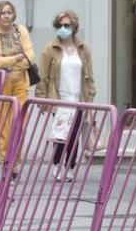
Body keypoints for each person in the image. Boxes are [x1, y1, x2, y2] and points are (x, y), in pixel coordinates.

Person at [36, 10, 97, 169]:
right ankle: (57, 163)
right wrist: (41, 98)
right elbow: (42, 75)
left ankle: (70, 167)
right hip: (59, 99)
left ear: (74, 27)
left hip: (78, 99)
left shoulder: (83, 48)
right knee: (60, 136)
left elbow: (89, 74)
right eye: (60, 25)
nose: (63, 28)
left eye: (67, 25)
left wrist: (91, 94)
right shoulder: (50, 49)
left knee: (75, 134)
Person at [0, 0, 36, 160]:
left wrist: (10, 63)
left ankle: (16, 160)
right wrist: (17, 58)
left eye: (9, 12)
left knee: (20, 122)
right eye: (3, 13)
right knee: (3, 123)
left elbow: (31, 58)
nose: (6, 16)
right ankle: (7, 161)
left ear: (14, 14)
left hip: (20, 81)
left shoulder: (22, 31)